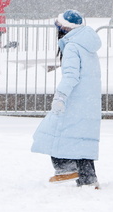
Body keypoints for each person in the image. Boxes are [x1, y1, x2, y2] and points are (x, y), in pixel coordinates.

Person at [31, 10, 102, 189]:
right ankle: (88, 178)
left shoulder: (72, 46)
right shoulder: (87, 45)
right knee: (81, 139)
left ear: (64, 27)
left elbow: (71, 76)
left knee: (50, 131)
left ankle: (65, 168)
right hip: (88, 101)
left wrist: (60, 97)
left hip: (74, 99)